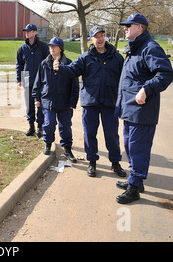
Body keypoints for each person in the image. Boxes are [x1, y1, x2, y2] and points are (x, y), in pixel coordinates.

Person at [115, 13, 173, 204]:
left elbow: (165, 74)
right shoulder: (134, 49)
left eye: (128, 25)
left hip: (142, 111)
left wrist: (146, 89)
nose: (125, 28)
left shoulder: (150, 48)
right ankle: (135, 180)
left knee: (138, 148)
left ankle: (134, 188)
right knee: (130, 148)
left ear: (139, 27)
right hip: (130, 110)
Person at [54, 26, 126, 177]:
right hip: (90, 102)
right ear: (91, 40)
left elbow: (125, 77)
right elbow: (72, 70)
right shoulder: (85, 57)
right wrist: (60, 69)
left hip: (109, 102)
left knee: (112, 134)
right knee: (90, 133)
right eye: (96, 36)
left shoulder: (116, 57)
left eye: (102, 36)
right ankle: (92, 162)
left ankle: (115, 162)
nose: (100, 39)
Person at [32, 37, 79, 161]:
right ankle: (48, 144)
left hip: (64, 102)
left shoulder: (69, 63)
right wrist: (37, 98)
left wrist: (72, 102)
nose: (51, 48)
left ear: (61, 48)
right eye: (50, 46)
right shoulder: (44, 63)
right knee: (49, 124)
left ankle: (67, 149)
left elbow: (74, 85)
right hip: (48, 101)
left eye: (54, 46)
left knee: (65, 126)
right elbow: (38, 83)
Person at [16, 23, 48, 137]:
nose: (26, 33)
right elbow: (19, 64)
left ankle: (40, 126)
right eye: (25, 31)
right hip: (26, 78)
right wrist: (19, 78)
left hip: (40, 79)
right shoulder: (22, 48)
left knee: (40, 104)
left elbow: (48, 63)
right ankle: (31, 126)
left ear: (35, 32)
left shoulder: (43, 46)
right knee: (29, 105)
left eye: (29, 31)